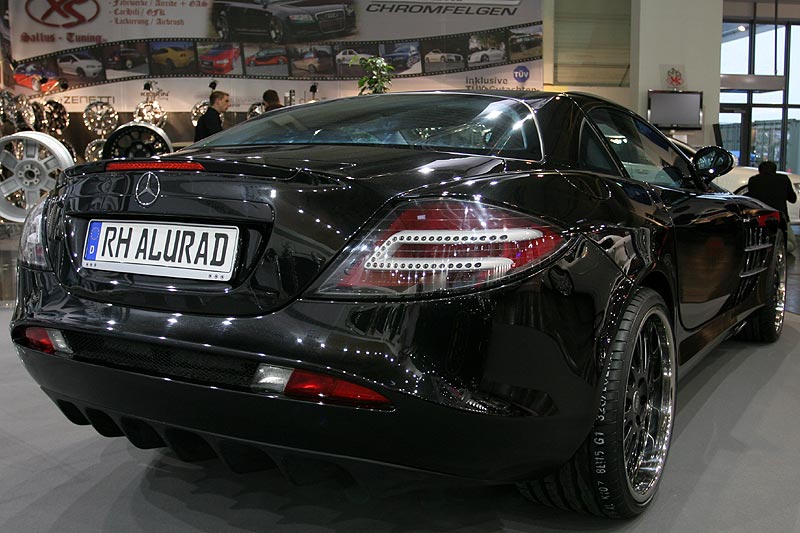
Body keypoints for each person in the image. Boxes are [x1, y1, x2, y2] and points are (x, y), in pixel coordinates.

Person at [747, 160, 798, 253]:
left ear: (759, 171)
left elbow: (751, 198)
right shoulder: (783, 179)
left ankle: (766, 247)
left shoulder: (753, 180)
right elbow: (793, 199)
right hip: (780, 218)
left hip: (760, 218)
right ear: (775, 170)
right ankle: (776, 248)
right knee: (791, 244)